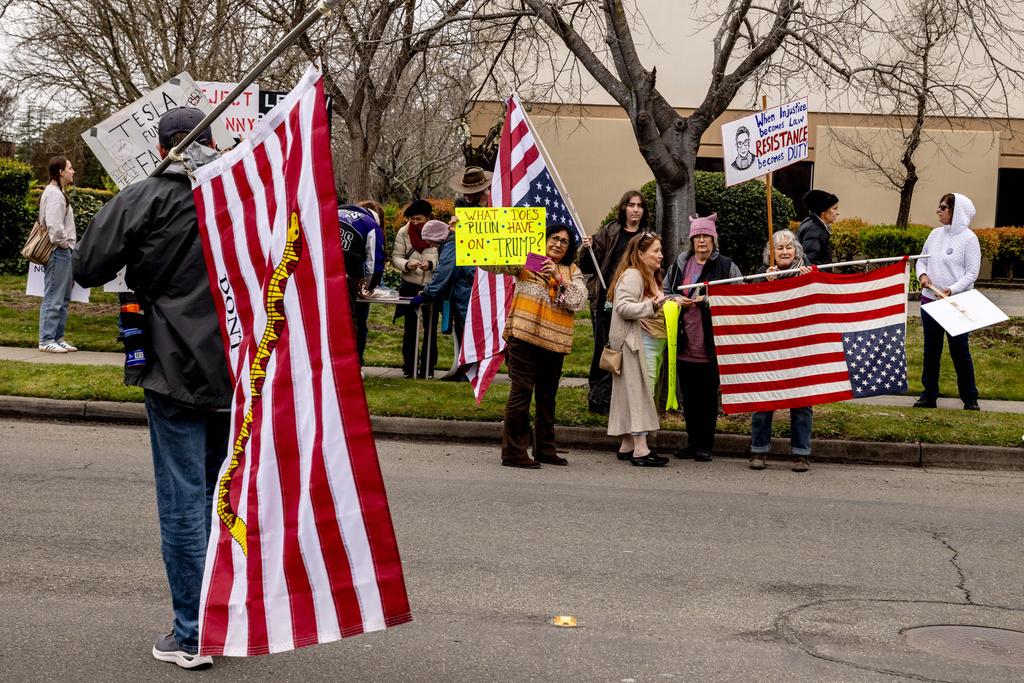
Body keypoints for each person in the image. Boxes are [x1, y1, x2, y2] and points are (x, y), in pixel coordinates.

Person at [73, 107, 231, 670]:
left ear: (163, 149)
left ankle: (193, 634)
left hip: (173, 366)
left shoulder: (147, 196)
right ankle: (219, 620)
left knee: (185, 499)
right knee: (218, 495)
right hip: (238, 367)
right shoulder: (241, 194)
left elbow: (87, 265)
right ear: (212, 142)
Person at [486, 225, 588, 468]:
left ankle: (545, 449)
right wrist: (464, 234)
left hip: (554, 344)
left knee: (547, 398)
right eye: (554, 238)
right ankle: (514, 452)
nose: (558, 244)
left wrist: (559, 278)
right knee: (521, 392)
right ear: (544, 240)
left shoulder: (572, 271)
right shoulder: (527, 261)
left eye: (564, 241)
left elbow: (578, 301)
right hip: (524, 338)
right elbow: (492, 263)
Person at [663, 214, 741, 462]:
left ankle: (705, 444)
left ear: (714, 239)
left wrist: (707, 300)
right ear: (691, 240)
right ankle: (692, 442)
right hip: (684, 343)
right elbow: (665, 292)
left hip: (711, 346)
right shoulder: (680, 265)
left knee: (707, 399)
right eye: (697, 236)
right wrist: (676, 300)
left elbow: (738, 298)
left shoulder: (726, 266)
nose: (702, 241)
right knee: (689, 398)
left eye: (706, 236)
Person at [747, 230, 815, 472]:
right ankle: (758, 450)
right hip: (770, 346)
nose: (785, 252)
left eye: (789, 247)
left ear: (797, 250)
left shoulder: (810, 272)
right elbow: (750, 305)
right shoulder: (762, 274)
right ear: (771, 253)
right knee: (764, 399)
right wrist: (764, 283)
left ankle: (801, 454)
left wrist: (810, 282)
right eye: (779, 248)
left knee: (802, 401)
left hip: (800, 346)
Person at [606, 232, 675, 467]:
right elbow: (623, 307)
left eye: (660, 250)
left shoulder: (644, 275)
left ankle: (627, 444)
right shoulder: (633, 275)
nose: (660, 255)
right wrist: (651, 306)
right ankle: (641, 449)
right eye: (656, 251)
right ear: (641, 254)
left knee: (630, 394)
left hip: (634, 343)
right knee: (638, 394)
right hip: (632, 344)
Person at [579, 190, 649, 414]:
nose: (635, 210)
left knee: (628, 350)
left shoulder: (647, 238)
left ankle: (621, 398)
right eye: (631, 205)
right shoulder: (609, 232)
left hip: (634, 303)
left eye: (640, 206)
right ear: (623, 208)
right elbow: (588, 266)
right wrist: (587, 249)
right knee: (604, 348)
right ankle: (598, 397)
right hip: (606, 301)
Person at [914, 192, 982, 411]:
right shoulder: (935, 234)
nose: (938, 210)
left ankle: (970, 398)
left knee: (959, 350)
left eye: (943, 207)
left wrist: (952, 290)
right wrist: (922, 276)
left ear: (956, 211)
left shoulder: (969, 239)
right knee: (931, 351)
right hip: (930, 300)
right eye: (939, 206)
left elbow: (972, 273)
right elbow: (922, 260)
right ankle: (929, 395)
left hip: (956, 303)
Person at [436, 166, 491, 380]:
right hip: (465, 278)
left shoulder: (496, 205)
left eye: (472, 192)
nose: (467, 196)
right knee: (463, 323)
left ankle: (482, 365)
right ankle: (467, 367)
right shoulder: (461, 205)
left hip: (487, 273)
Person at [392, 199, 440, 378]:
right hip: (410, 285)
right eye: (412, 219)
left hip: (431, 286)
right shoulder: (403, 233)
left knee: (430, 328)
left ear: (428, 218)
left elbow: (446, 259)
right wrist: (406, 264)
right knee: (410, 328)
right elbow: (396, 257)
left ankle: (428, 368)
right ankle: (409, 367)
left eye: (419, 219)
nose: (415, 222)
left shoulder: (440, 232)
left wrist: (431, 265)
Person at [37, 155, 78, 354]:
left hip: (63, 250)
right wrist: (65, 244)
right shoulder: (54, 194)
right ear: (61, 172)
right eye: (70, 168)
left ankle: (57, 337)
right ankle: (46, 339)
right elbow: (54, 228)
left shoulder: (58, 192)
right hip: (58, 250)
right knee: (54, 296)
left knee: (63, 297)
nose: (73, 171)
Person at [338, 203, 385, 365]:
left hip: (319, 274)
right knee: (350, 321)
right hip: (346, 276)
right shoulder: (370, 225)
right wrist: (369, 287)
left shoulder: (331, 212)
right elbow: (375, 262)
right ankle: (350, 365)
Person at [797, 189, 839, 266]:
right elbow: (810, 260)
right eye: (834, 208)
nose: (837, 213)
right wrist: (824, 271)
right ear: (823, 211)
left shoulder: (813, 224)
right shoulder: (814, 229)